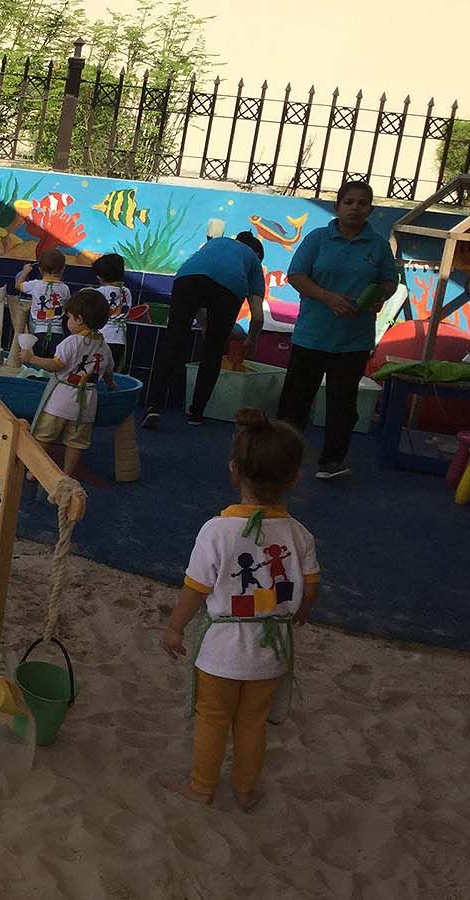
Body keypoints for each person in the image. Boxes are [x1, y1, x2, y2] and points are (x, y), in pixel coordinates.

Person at [160, 408, 318, 812]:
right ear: (294, 480)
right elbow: (311, 586)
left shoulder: (217, 531)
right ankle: (246, 790)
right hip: (271, 653)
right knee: (253, 722)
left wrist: (175, 627)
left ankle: (202, 787)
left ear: (234, 471)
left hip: (221, 652)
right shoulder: (300, 535)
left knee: (212, 719)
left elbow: (195, 589)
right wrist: (300, 611)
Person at [276, 180, 398, 481]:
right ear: (338, 206)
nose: (355, 208)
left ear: (370, 209)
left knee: (343, 405)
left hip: (353, 341)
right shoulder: (318, 239)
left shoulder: (378, 246)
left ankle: (332, 461)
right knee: (295, 402)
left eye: (362, 203)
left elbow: (389, 281)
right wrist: (327, 297)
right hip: (312, 335)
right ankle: (280, 459)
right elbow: (296, 275)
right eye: (349, 202)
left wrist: (379, 296)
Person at [142, 232, 266, 429]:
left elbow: (201, 292)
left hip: (187, 277)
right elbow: (258, 317)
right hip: (229, 288)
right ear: (257, 254)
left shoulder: (216, 243)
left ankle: (153, 406)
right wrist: (251, 340)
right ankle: (196, 413)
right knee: (214, 350)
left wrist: (205, 325)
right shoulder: (254, 261)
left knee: (173, 341)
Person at [25, 289, 117, 478]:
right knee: (76, 443)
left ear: (79, 319)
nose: (67, 322)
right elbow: (108, 372)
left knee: (44, 436)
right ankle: (66, 475)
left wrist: (32, 358)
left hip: (61, 401)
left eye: (69, 318)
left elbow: (56, 365)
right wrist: (111, 385)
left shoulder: (71, 342)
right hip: (86, 405)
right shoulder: (104, 346)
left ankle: (34, 472)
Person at [16, 248, 72, 357]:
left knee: (37, 362)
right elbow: (68, 307)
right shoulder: (65, 288)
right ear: (63, 269)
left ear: (40, 269)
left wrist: (25, 271)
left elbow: (18, 285)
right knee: (52, 363)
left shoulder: (35, 285)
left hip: (38, 333)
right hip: (57, 334)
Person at [93, 253, 133, 371]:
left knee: (97, 371)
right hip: (119, 339)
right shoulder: (126, 292)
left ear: (100, 277)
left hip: (101, 338)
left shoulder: (98, 292)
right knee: (112, 372)